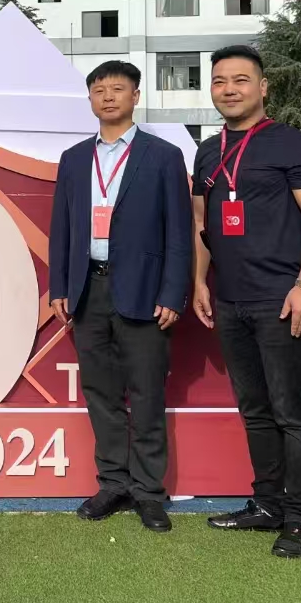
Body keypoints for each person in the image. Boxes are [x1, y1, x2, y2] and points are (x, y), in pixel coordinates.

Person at [191, 46, 301, 558]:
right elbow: (202, 223)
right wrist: (200, 281)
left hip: (282, 300)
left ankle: (300, 518)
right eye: (220, 81)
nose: (229, 89)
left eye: (241, 80)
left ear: (263, 87)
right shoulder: (207, 151)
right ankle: (268, 504)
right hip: (231, 301)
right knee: (255, 410)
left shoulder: (292, 144)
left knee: (293, 413)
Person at [48, 60, 192, 532]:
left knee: (147, 393)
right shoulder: (74, 158)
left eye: (117, 89)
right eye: (99, 90)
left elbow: (179, 231)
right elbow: (61, 227)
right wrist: (59, 286)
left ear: (135, 96)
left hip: (145, 292)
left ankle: (148, 491)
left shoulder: (163, 156)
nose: (108, 97)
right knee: (101, 393)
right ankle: (113, 483)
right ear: (90, 99)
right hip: (88, 290)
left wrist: (173, 292)